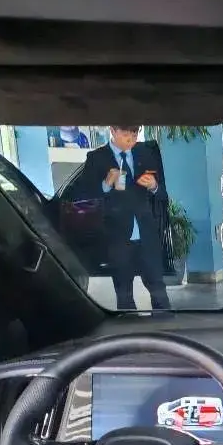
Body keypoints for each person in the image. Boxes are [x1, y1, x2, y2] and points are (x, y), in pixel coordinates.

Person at [76, 125, 170, 310]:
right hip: (117, 237)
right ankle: (129, 326)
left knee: (158, 290)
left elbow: (163, 195)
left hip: (146, 234)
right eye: (126, 134)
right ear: (113, 130)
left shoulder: (146, 153)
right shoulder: (96, 158)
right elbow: (84, 198)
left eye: (134, 134)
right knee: (124, 293)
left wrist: (154, 186)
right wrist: (105, 185)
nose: (131, 139)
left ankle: (165, 324)